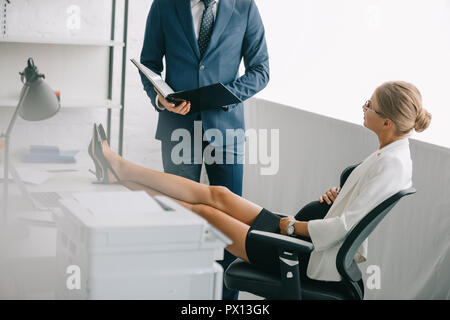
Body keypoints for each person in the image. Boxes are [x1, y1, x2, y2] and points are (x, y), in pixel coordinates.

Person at [88, 81, 431, 292]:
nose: (364, 106)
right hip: (302, 235)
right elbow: (355, 211)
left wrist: (294, 225)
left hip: (303, 254)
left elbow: (345, 227)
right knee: (218, 194)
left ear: (386, 121)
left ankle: (118, 179)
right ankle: (119, 166)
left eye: (369, 104)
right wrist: (338, 198)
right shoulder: (392, 154)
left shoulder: (392, 164)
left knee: (202, 212)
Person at [139, 0, 269, 300]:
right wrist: (161, 99)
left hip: (227, 131)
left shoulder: (245, 7)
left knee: (231, 227)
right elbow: (149, 64)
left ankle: (226, 300)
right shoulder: (164, 6)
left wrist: (225, 96)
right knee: (180, 221)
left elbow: (261, 69)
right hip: (177, 128)